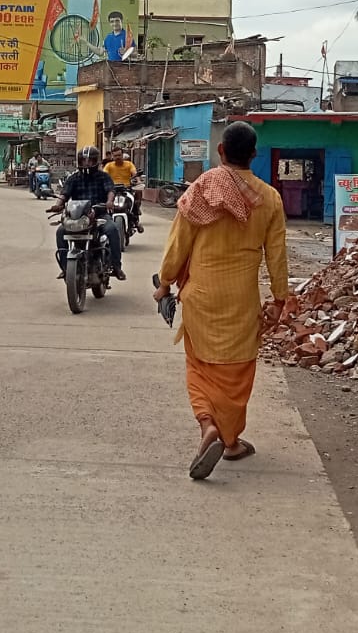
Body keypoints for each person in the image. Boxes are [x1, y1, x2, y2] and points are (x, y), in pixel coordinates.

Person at [154, 121, 287, 481]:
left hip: (200, 296)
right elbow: (277, 255)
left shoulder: (201, 190)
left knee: (199, 367)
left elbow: (178, 245)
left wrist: (165, 282)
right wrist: (279, 298)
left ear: (221, 152)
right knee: (237, 371)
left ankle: (207, 426)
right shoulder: (270, 198)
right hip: (241, 300)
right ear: (254, 155)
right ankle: (229, 441)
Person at [48, 147, 124, 281]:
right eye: (84, 160)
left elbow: (110, 190)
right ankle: (66, 268)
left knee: (112, 229)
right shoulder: (74, 178)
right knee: (60, 232)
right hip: (77, 217)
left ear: (95, 160)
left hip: (99, 215)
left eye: (90, 160)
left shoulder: (103, 176)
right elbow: (64, 194)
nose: (87, 163)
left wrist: (109, 201)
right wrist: (58, 204)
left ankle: (116, 266)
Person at [103, 146, 143, 233]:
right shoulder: (109, 166)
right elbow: (104, 175)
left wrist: (138, 181)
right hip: (112, 190)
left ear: (122, 155)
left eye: (119, 155)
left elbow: (134, 173)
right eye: (115, 156)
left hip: (126, 189)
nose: (118, 157)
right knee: (104, 203)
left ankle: (136, 221)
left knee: (133, 200)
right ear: (112, 157)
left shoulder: (129, 164)